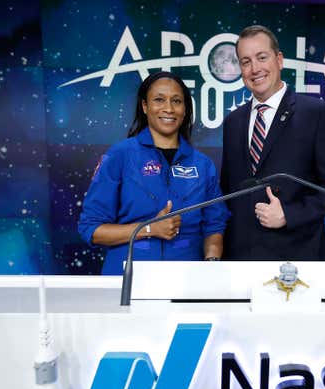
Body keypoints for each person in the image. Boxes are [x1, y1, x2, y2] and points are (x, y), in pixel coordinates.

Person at [221, 25, 325, 261]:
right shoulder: (233, 122)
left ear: (279, 60)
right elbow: (227, 192)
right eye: (245, 61)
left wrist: (289, 215)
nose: (255, 69)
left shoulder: (315, 113)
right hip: (240, 258)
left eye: (262, 57)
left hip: (296, 258)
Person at [79, 71, 229, 274]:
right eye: (159, 100)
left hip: (186, 282)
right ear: (145, 106)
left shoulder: (203, 165)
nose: (169, 108)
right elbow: (91, 229)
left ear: (185, 109)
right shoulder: (119, 156)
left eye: (176, 101)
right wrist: (149, 229)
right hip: (128, 279)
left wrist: (211, 265)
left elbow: (214, 226)